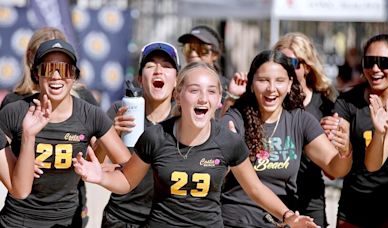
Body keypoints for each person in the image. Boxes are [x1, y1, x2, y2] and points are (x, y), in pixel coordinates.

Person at [73, 61, 318, 228]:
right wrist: (100, 177)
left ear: (218, 100)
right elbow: (127, 181)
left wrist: (287, 217)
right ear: (178, 95)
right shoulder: (156, 137)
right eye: (194, 90)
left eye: (211, 91)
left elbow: (255, 189)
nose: (203, 98)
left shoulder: (228, 142)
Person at [0, 38, 131, 227]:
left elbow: (128, 172)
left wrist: (101, 175)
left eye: (64, 69)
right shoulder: (15, 111)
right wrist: (21, 155)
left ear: (75, 76)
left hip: (67, 221)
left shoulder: (91, 114)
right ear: (37, 74)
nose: (55, 76)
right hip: (17, 220)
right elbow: (17, 186)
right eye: (47, 68)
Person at [220, 50, 352, 228]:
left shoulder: (300, 120)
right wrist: (287, 216)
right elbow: (252, 186)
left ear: (290, 83)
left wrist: (345, 151)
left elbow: (335, 168)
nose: (271, 88)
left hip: (282, 220)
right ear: (251, 84)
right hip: (238, 219)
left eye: (279, 81)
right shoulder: (235, 118)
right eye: (263, 80)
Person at [321, 34, 388, 227]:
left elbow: (374, 164)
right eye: (369, 61)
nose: (375, 69)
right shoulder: (348, 101)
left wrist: (380, 133)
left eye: (384, 63)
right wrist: (340, 144)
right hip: (353, 208)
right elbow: (340, 162)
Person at [101, 41, 179, 227]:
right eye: (150, 65)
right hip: (121, 218)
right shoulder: (121, 111)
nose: (158, 71)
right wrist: (110, 134)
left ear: (177, 80)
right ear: (139, 78)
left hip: (166, 220)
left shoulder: (184, 119)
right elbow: (95, 163)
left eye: (167, 66)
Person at [272, 32, 337, 227]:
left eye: (291, 63)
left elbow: (332, 171)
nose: (285, 67)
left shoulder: (325, 104)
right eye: (280, 61)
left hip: (310, 195)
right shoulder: (270, 99)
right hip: (273, 194)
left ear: (307, 67)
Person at [0, 95, 51, 199]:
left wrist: (23, 165)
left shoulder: (83, 101)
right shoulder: (12, 102)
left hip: (68, 210)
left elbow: (20, 191)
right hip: (18, 211)